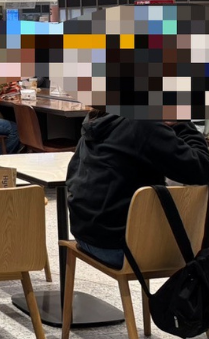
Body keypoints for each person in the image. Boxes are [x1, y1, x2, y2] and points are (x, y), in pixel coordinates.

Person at [67, 114, 209, 268]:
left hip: (84, 234)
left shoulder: (99, 117)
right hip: (120, 248)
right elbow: (203, 167)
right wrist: (181, 122)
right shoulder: (145, 124)